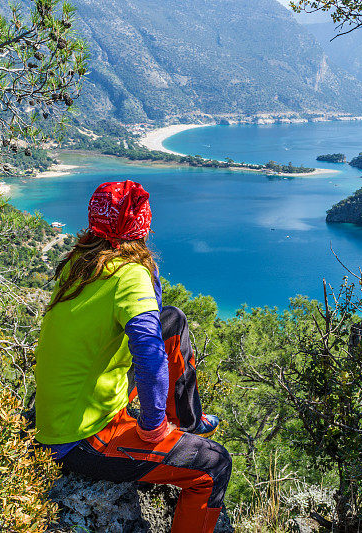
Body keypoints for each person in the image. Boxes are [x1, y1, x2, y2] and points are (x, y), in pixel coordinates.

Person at [34, 180, 231, 533]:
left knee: (172, 320)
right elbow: (149, 353)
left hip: (75, 405)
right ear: (143, 225)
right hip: (81, 436)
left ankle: (188, 421)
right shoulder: (130, 273)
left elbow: (152, 327)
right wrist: (153, 427)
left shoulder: (80, 261)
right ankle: (166, 426)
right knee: (214, 467)